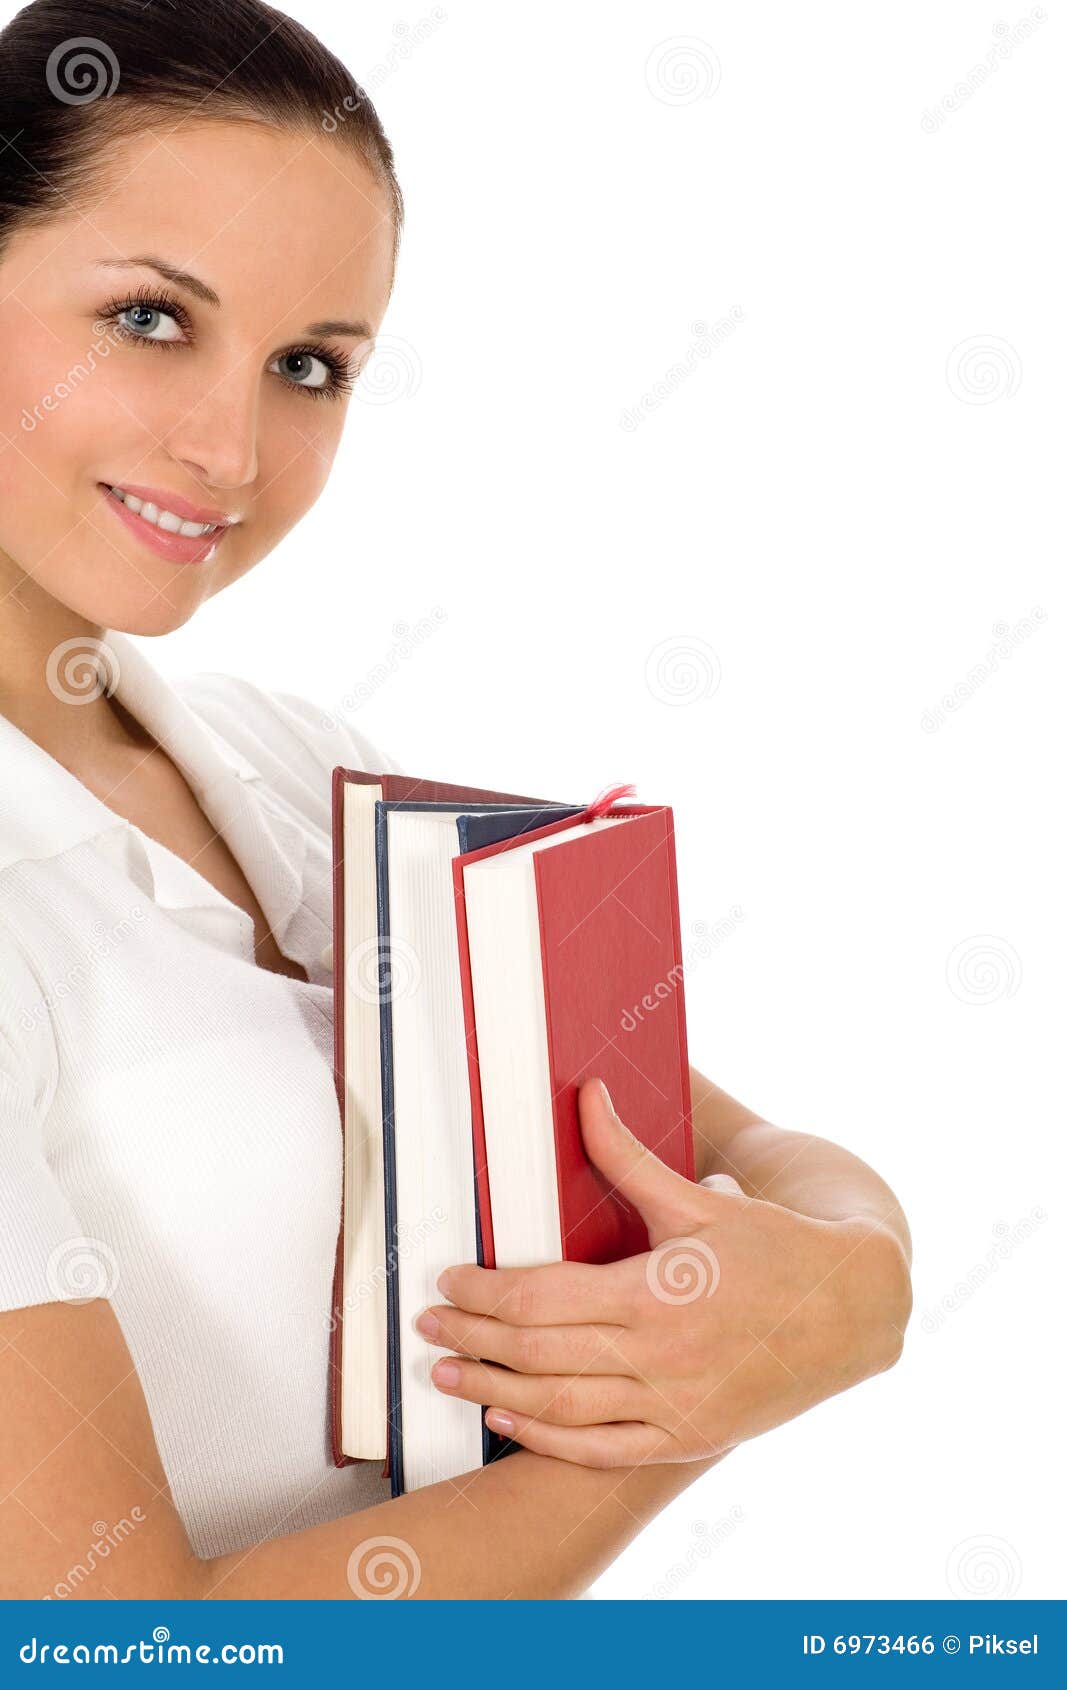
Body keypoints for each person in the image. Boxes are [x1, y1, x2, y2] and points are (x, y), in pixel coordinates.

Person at [0, 0, 912, 1600]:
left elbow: (743, 1154)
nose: (229, 445)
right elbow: (115, 1643)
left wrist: (867, 1279)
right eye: (150, 318)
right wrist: (703, 1395)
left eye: (310, 366)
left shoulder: (287, 768)